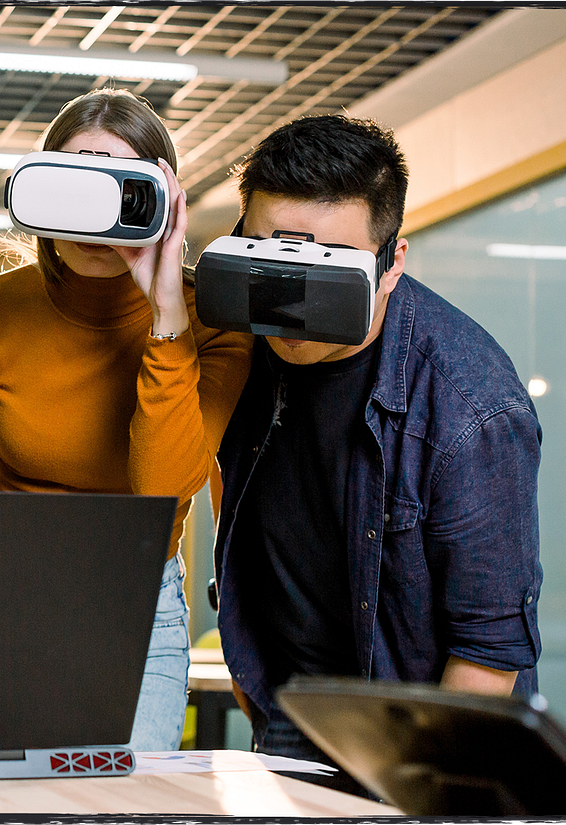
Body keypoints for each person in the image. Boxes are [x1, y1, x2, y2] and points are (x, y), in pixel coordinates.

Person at [211, 114, 543, 794]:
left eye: (326, 274)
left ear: (392, 262)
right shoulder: (240, 351)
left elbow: (487, 652)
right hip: (288, 717)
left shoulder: (471, 405)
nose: (294, 301)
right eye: (275, 266)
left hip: (416, 744)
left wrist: (424, 790)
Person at [0, 89, 253, 752]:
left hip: (135, 603)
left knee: (124, 799)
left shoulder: (215, 322)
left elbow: (163, 488)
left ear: (164, 201)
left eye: (123, 193)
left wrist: (166, 315)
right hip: (3, 586)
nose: (95, 218)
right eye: (75, 189)